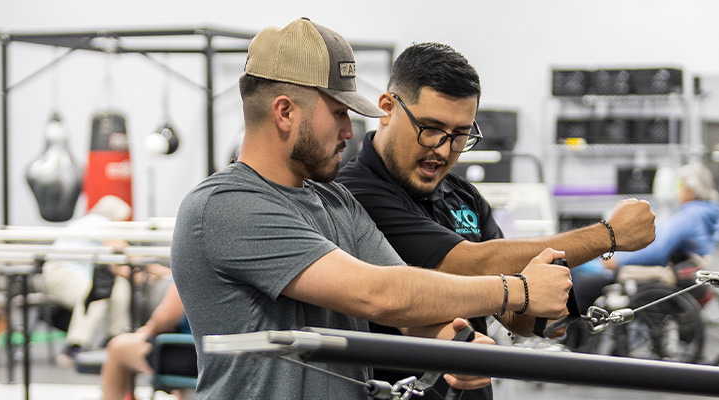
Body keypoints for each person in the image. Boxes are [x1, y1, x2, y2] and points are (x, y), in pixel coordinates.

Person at [171, 18, 572, 400]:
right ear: (285, 112)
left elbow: (407, 305)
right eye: (339, 113)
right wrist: (516, 290)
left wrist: (456, 344)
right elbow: (380, 294)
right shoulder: (226, 206)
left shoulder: (337, 202)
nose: (350, 131)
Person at [335, 42, 656, 396]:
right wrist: (609, 235)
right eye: (430, 128)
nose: (442, 149)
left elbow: (512, 310)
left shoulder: (462, 194)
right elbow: (473, 264)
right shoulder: (353, 194)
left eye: (460, 135)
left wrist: (548, 312)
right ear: (387, 108)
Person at [571, 163, 719, 310]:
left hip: (658, 279)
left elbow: (656, 250)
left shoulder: (689, 216)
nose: (678, 190)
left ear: (691, 189)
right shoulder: (705, 213)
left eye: (681, 185)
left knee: (583, 283)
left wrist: (616, 260)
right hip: (686, 281)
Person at [41, 194, 133, 367]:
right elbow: (126, 250)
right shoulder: (100, 223)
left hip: (77, 273)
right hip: (61, 272)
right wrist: (155, 269)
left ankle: (115, 338)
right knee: (96, 294)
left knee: (119, 286)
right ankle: (75, 345)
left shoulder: (87, 222)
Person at [100, 274, 191, 400]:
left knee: (117, 347)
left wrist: (149, 329)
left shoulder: (190, 267)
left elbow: (167, 317)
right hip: (209, 351)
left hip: (192, 352)